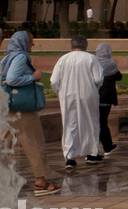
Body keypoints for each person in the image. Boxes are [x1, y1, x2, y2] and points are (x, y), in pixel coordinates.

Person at [2, 30, 58, 195]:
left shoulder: (7, 57)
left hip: (8, 107)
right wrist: (34, 77)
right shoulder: (20, 57)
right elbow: (12, 79)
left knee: (5, 144)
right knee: (33, 142)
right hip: (23, 109)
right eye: (30, 41)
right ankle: (41, 181)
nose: (32, 44)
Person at [50, 36, 104, 171]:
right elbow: (98, 78)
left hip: (67, 95)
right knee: (91, 122)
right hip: (88, 94)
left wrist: (61, 93)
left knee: (69, 123)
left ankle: (70, 157)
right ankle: (92, 153)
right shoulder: (91, 58)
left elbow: (54, 81)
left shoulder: (63, 59)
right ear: (85, 45)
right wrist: (93, 88)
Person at [94, 42, 123, 158]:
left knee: (96, 122)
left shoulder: (93, 62)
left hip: (93, 97)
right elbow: (119, 76)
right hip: (106, 97)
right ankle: (107, 146)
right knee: (102, 122)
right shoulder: (111, 64)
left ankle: (96, 148)